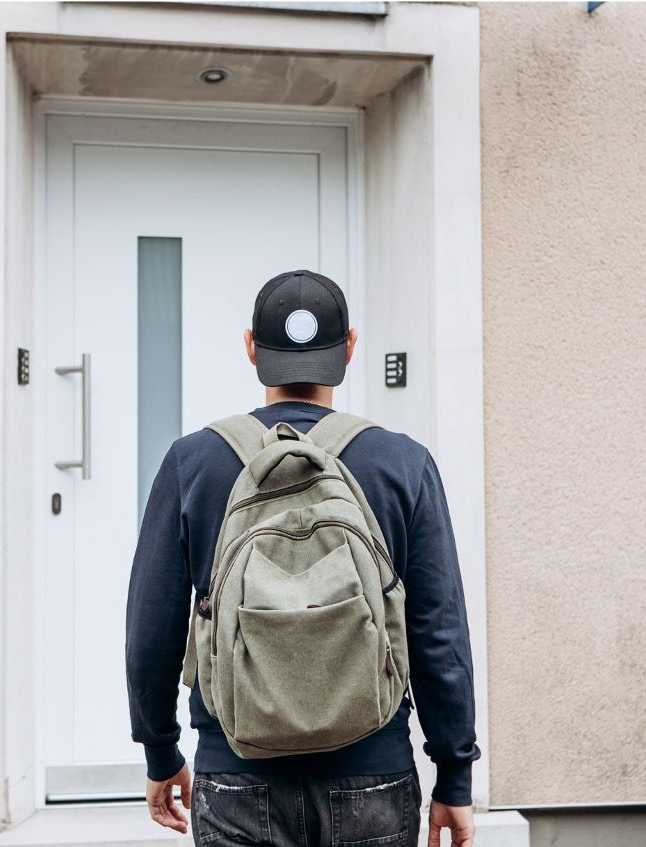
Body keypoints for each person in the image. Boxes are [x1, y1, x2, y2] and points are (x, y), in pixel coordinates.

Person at [126, 269, 479, 847]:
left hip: (236, 773)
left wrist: (161, 751)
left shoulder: (193, 464)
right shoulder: (403, 463)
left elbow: (150, 629)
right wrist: (455, 775)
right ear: (350, 348)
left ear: (249, 348)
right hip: (372, 773)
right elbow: (439, 632)